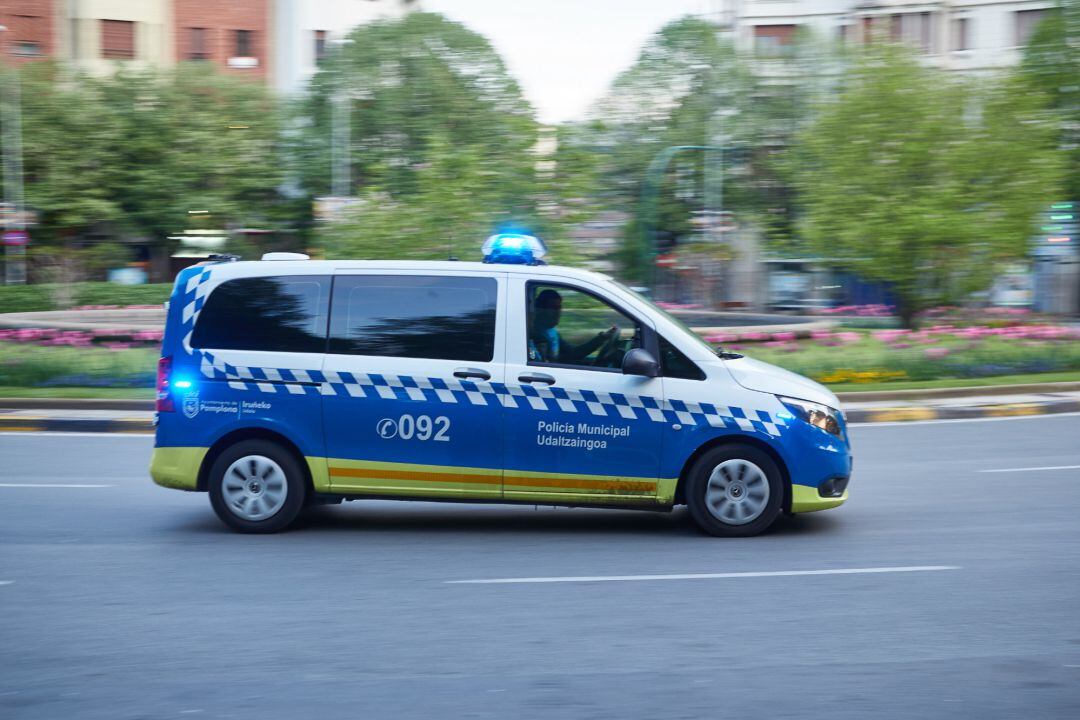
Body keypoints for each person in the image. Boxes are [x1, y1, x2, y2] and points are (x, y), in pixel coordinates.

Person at [528, 288, 617, 364]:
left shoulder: (551, 331)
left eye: (559, 307)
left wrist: (602, 338)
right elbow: (547, 364)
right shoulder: (535, 335)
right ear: (540, 310)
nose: (558, 312)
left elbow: (573, 353)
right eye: (553, 308)